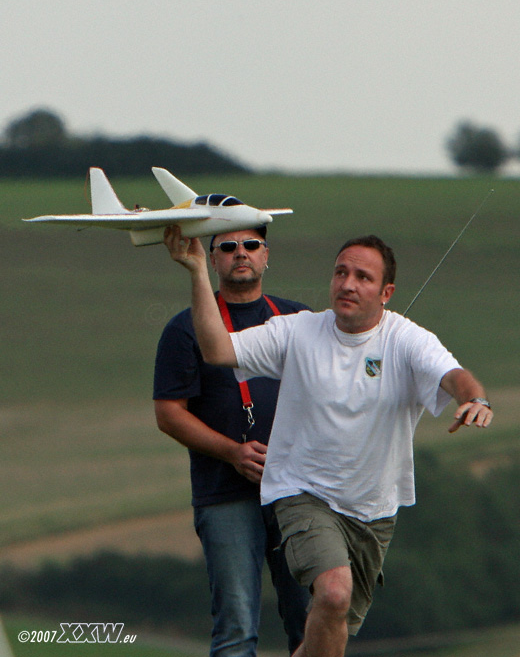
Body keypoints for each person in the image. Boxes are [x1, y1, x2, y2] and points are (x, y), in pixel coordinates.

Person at [162, 227, 494, 657]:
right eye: (341, 273)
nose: (348, 284)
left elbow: (455, 377)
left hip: (373, 509)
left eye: (362, 277)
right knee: (334, 593)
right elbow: (218, 350)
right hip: (303, 493)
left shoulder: (408, 339)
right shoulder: (298, 331)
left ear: (386, 291)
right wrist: (195, 272)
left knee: (327, 631)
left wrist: (475, 399)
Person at [154, 225, 310, 657]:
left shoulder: (298, 319)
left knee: (313, 620)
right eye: (227, 247)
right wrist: (232, 452)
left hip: (298, 491)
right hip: (225, 495)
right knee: (237, 629)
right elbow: (168, 414)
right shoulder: (185, 329)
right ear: (213, 258)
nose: (240, 254)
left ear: (266, 255)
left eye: (251, 245)